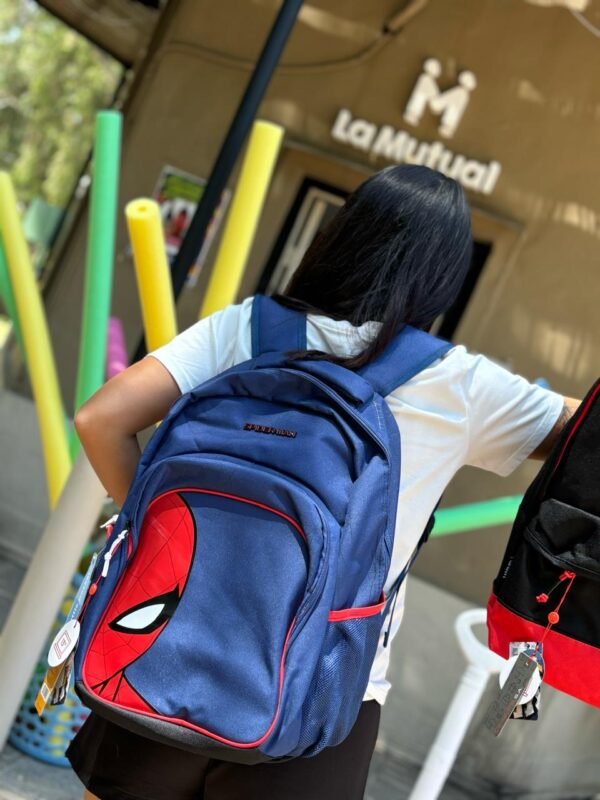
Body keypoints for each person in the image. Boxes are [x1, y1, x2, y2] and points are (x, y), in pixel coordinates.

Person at [68, 164, 579, 800]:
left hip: (164, 644)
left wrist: (162, 537)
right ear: (443, 277)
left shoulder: (248, 327)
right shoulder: (461, 385)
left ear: (340, 236)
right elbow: (582, 433)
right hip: (326, 684)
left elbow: (100, 420)